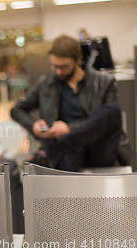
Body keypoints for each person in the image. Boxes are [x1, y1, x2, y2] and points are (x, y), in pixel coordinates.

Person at [11, 34, 131, 172]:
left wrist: (70, 128)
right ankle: (56, 149)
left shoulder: (104, 82)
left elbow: (107, 123)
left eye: (64, 66)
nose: (58, 71)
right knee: (67, 155)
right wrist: (33, 125)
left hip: (97, 147)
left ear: (78, 60)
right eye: (54, 66)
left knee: (112, 111)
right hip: (68, 150)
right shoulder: (45, 84)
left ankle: (50, 150)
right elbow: (16, 109)